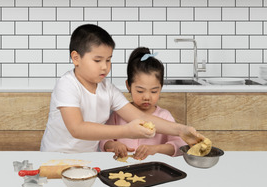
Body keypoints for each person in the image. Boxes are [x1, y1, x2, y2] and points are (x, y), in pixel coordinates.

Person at [40, 24, 204, 153]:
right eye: (97, 60)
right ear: (76, 58)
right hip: (56, 156)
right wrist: (126, 131)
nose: (105, 67)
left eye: (108, 60)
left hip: (88, 159)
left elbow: (139, 116)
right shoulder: (67, 84)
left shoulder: (107, 89)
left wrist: (181, 130)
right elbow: (77, 128)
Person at [99, 47, 187, 159]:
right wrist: (114, 144)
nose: (147, 97)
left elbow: (180, 145)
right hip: (123, 168)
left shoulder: (164, 116)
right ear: (128, 86)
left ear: (161, 87)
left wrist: (155, 149)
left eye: (154, 91)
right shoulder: (119, 114)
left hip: (155, 171)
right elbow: (104, 139)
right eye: (140, 91)